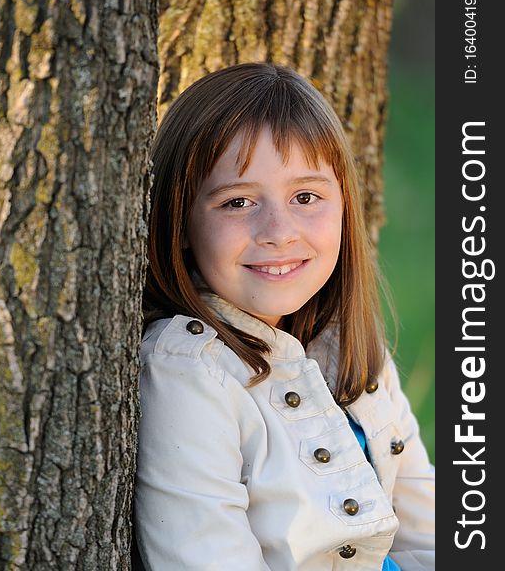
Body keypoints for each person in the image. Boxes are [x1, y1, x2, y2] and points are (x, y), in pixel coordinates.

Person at [134, 62, 435, 570]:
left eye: (305, 197)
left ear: (343, 207)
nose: (278, 230)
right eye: (237, 202)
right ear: (179, 221)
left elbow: (428, 535)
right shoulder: (188, 371)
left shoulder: (350, 349)